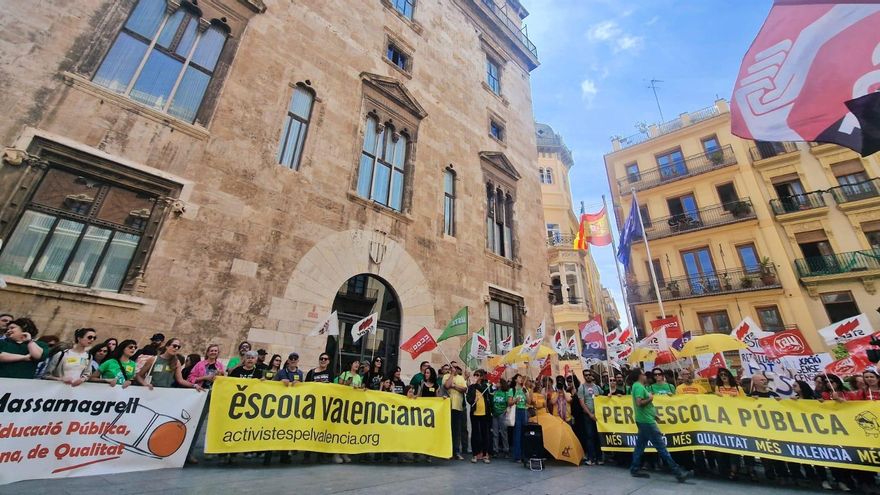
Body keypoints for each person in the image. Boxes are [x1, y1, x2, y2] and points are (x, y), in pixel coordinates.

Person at [629, 368, 691, 482]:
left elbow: (645, 406)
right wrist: (650, 398)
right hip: (647, 422)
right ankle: (678, 473)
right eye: (643, 374)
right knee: (661, 448)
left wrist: (654, 415)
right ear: (639, 376)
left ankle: (634, 468)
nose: (645, 376)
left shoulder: (638, 386)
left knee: (640, 446)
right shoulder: (638, 386)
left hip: (645, 419)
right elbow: (639, 403)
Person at [136, 338, 202, 389]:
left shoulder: (176, 362)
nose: (176, 348)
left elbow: (180, 380)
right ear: (167, 346)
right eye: (174, 346)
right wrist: (145, 384)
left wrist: (194, 385)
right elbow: (139, 375)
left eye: (178, 347)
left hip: (166, 392)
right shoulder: (153, 359)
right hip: (151, 390)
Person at [578, 370, 604, 465]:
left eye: (589, 375)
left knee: (598, 436)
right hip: (588, 416)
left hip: (598, 415)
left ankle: (599, 457)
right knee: (590, 436)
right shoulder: (582, 388)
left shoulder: (597, 387)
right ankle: (591, 458)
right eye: (586, 375)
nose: (588, 376)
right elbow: (582, 403)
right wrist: (590, 414)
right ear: (584, 377)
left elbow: (603, 398)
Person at [466, 369, 492, 464]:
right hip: (475, 413)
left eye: (478, 375)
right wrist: (474, 399)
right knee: (475, 434)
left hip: (485, 413)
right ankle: (475, 454)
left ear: (481, 377)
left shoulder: (485, 386)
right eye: (475, 375)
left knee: (485, 434)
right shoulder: (471, 387)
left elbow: (487, 394)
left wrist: (477, 384)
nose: (476, 376)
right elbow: (468, 398)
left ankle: (485, 454)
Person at [443, 364, 468, 460]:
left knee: (456, 430)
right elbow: (446, 385)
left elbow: (464, 389)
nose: (455, 369)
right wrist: (452, 375)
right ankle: (448, 451)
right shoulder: (446, 376)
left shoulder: (461, 378)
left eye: (456, 368)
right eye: (453, 367)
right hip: (447, 407)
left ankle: (456, 451)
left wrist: (454, 386)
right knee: (447, 429)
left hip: (458, 407)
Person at [509, 373, 529, 463]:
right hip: (516, 411)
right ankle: (517, 456)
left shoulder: (524, 389)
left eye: (521, 377)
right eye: (519, 377)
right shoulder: (512, 390)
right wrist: (515, 400)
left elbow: (529, 401)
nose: (521, 379)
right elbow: (509, 402)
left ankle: (525, 455)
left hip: (524, 411)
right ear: (515, 380)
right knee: (517, 434)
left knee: (524, 433)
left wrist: (526, 392)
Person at [491, 378, 511, 458]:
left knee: (504, 433)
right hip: (495, 414)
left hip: (502, 414)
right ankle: (495, 450)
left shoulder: (505, 393)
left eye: (498, 382)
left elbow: (508, 404)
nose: (496, 383)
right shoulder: (495, 392)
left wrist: (505, 411)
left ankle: (506, 450)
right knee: (495, 433)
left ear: (502, 384)